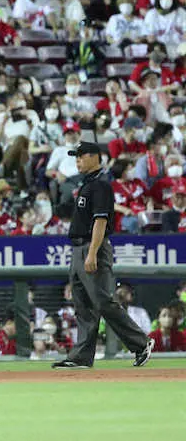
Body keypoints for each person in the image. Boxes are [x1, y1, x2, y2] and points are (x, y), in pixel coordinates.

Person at [52, 141, 154, 369]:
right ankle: (81, 357)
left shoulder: (100, 185)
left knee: (103, 301)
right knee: (83, 306)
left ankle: (141, 343)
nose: (77, 160)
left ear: (94, 157)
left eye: (81, 156)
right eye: (76, 156)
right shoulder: (87, 184)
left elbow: (100, 221)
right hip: (78, 248)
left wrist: (92, 253)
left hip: (92, 247)